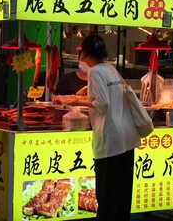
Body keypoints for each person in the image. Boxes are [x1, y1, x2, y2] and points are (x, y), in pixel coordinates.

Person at [71, 35, 140, 221]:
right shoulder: (110, 69)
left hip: (110, 141)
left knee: (107, 199)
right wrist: (88, 94)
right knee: (122, 198)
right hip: (127, 139)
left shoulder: (95, 72)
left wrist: (75, 100)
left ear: (85, 53)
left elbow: (102, 104)